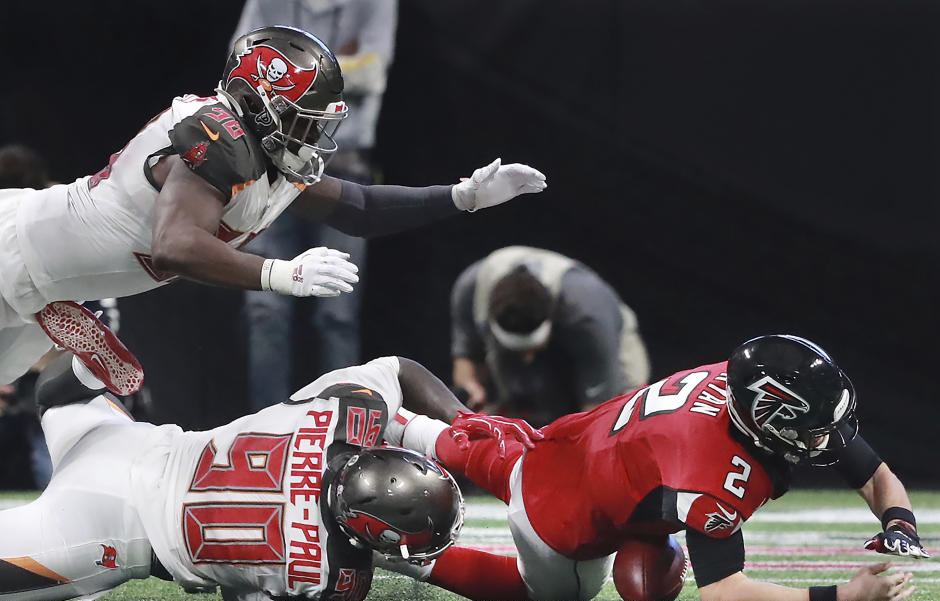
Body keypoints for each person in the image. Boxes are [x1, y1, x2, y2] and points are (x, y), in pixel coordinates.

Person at [0, 25, 546, 398]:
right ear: (263, 105)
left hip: (42, 278)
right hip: (14, 244)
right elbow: (176, 245)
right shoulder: (216, 137)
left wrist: (462, 197)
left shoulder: (264, 156)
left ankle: (44, 299)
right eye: (305, 118)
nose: (314, 133)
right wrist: (280, 273)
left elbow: (357, 207)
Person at [386, 335, 927, 601]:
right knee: (559, 590)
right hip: (567, 523)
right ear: (768, 421)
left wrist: (899, 522)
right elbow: (724, 592)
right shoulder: (710, 474)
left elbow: (873, 473)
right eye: (810, 429)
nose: (826, 440)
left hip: (564, 443)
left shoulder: (738, 384)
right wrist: (840, 596)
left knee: (488, 445)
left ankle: (392, 407)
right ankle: (389, 552)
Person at [0, 351, 532, 601]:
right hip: (111, 532)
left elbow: (398, 370)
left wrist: (462, 419)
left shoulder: (343, 415)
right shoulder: (328, 576)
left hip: (140, 442)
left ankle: (78, 372)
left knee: (57, 399)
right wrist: (540, 586)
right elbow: (242, 598)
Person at [233, 1, 398, 408]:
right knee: (264, 310)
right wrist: (340, 68)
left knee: (336, 313)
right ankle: (263, 431)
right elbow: (240, 62)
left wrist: (282, 71)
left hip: (343, 167)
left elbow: (374, 71)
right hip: (269, 164)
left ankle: (341, 432)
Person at [451, 246, 650, 427]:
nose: (526, 358)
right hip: (507, 345)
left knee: (621, 415)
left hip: (605, 340)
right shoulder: (469, 291)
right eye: (518, 348)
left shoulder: (589, 313)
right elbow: (466, 365)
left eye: (531, 347)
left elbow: (597, 411)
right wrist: (472, 399)